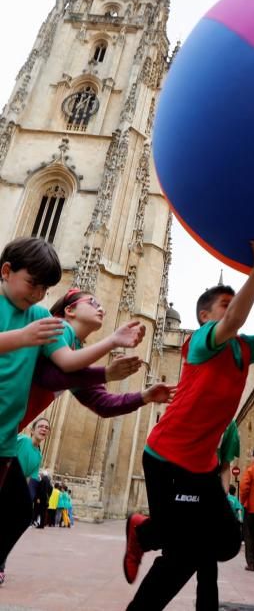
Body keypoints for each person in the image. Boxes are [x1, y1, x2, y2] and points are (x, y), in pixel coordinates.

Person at [126, 236, 254, 611]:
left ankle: (146, 528)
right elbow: (235, 317)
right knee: (183, 554)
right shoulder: (200, 342)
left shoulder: (245, 347)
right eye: (224, 303)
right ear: (204, 316)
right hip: (167, 459)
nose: (232, 308)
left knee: (222, 540)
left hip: (200, 467)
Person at [0, 237, 145, 577]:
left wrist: (137, 390)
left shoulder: (39, 318)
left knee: (18, 509)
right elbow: (56, 375)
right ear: (6, 271)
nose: (38, 295)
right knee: (18, 508)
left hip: (5, 438)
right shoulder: (46, 325)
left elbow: (69, 368)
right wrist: (24, 338)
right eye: (33, 284)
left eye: (45, 289)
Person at [19, 287, 176, 431]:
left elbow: (103, 404)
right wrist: (106, 370)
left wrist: (145, 396)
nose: (100, 308)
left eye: (102, 306)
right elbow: (47, 377)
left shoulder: (76, 350)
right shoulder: (59, 326)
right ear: (70, 310)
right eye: (92, 302)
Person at [123, 420, 241, 611]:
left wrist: (221, 500)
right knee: (187, 556)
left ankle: (145, 530)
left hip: (207, 483)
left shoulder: (229, 423)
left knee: (222, 547)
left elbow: (225, 465)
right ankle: (146, 531)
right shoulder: (192, 405)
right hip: (182, 477)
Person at [0, 417, 50, 585]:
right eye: (41, 426)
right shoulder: (22, 440)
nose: (43, 429)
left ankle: (0, 566)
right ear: (32, 429)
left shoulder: (38, 455)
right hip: (5, 483)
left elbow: (31, 479)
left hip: (15, 491)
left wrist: (27, 502)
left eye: (47, 428)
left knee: (13, 526)